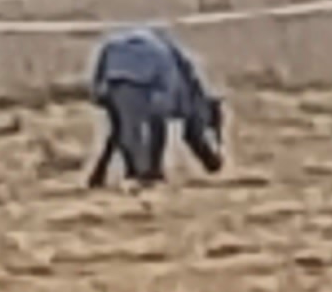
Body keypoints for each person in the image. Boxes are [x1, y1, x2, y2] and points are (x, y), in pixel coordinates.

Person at [86, 24, 228, 189]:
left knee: (121, 127)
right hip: (148, 75)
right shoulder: (191, 88)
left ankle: (112, 172)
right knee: (153, 124)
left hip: (114, 72)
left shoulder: (175, 62)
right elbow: (192, 131)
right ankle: (148, 171)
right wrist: (211, 160)